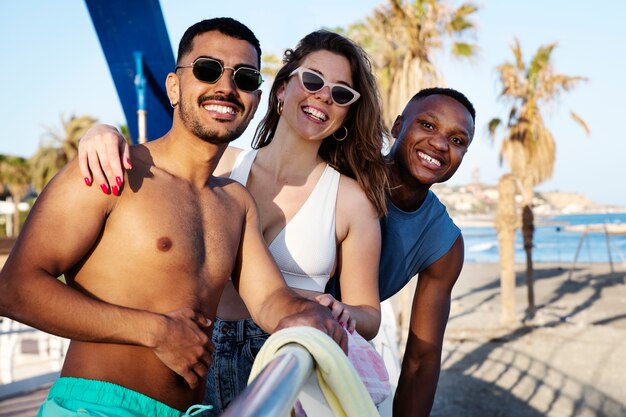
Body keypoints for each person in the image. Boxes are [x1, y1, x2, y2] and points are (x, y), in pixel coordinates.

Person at [0, 17, 349, 417]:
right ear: (173, 87)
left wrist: (312, 315)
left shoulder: (236, 203)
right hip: (94, 409)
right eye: (207, 69)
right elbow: (13, 289)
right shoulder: (113, 171)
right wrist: (158, 332)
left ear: (255, 100)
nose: (226, 87)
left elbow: (269, 299)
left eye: (246, 77)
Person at [77, 29, 388, 414]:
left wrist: (339, 311)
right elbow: (157, 168)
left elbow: (368, 315)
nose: (324, 95)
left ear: (345, 113)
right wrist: (101, 131)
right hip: (195, 350)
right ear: (280, 90)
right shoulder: (221, 164)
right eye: (313, 80)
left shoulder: (352, 200)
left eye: (341, 93)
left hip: (287, 356)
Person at [327, 87, 475, 417]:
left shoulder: (445, 242)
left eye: (457, 140)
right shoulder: (341, 172)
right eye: (428, 125)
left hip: (330, 352)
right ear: (397, 127)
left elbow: (422, 359)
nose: (440, 144)